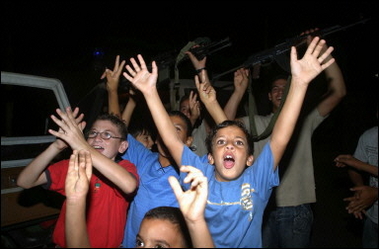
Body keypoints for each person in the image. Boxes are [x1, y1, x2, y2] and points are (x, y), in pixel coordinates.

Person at [123, 36, 335, 247]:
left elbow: (279, 139)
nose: (230, 145)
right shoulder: (200, 172)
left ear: (250, 159)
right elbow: (171, 139)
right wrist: (150, 92)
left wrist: (299, 83)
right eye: (221, 141)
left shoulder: (257, 179)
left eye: (239, 143)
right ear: (210, 157)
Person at [224, 30, 346, 247]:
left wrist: (320, 49)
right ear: (269, 95)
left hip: (295, 208)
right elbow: (223, 124)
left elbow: (338, 92)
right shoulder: (257, 123)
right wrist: (238, 92)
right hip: (261, 207)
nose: (280, 92)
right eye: (275, 89)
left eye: (285, 88)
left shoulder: (304, 121)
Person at [17, 108, 139, 248]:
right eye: (93, 133)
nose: (97, 138)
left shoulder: (125, 167)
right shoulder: (75, 164)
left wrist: (80, 144)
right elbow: (25, 181)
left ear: (122, 146)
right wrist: (57, 146)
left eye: (107, 135)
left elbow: (129, 185)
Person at [65, 149, 213, 248]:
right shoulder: (146, 161)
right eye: (140, 243)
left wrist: (196, 222)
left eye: (159, 247)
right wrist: (75, 201)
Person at [334, 124, 378, 248]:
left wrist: (360, 165)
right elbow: (353, 168)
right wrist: (361, 191)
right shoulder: (369, 136)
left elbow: (357, 164)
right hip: (372, 218)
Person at [103, 55, 155, 150]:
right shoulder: (131, 157)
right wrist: (132, 100)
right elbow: (117, 129)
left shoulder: (150, 160)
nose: (152, 143)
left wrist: (113, 90)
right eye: (146, 138)